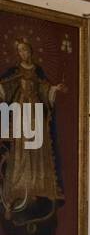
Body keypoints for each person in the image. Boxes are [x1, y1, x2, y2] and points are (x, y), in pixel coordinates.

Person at [0, 36, 65, 222]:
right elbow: (6, 88)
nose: (23, 53)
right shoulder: (14, 71)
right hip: (21, 110)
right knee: (21, 147)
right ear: (17, 53)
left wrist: (54, 90)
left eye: (26, 50)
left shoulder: (38, 71)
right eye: (20, 51)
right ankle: (20, 186)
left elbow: (45, 90)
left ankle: (37, 186)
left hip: (36, 111)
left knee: (37, 148)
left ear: (31, 52)